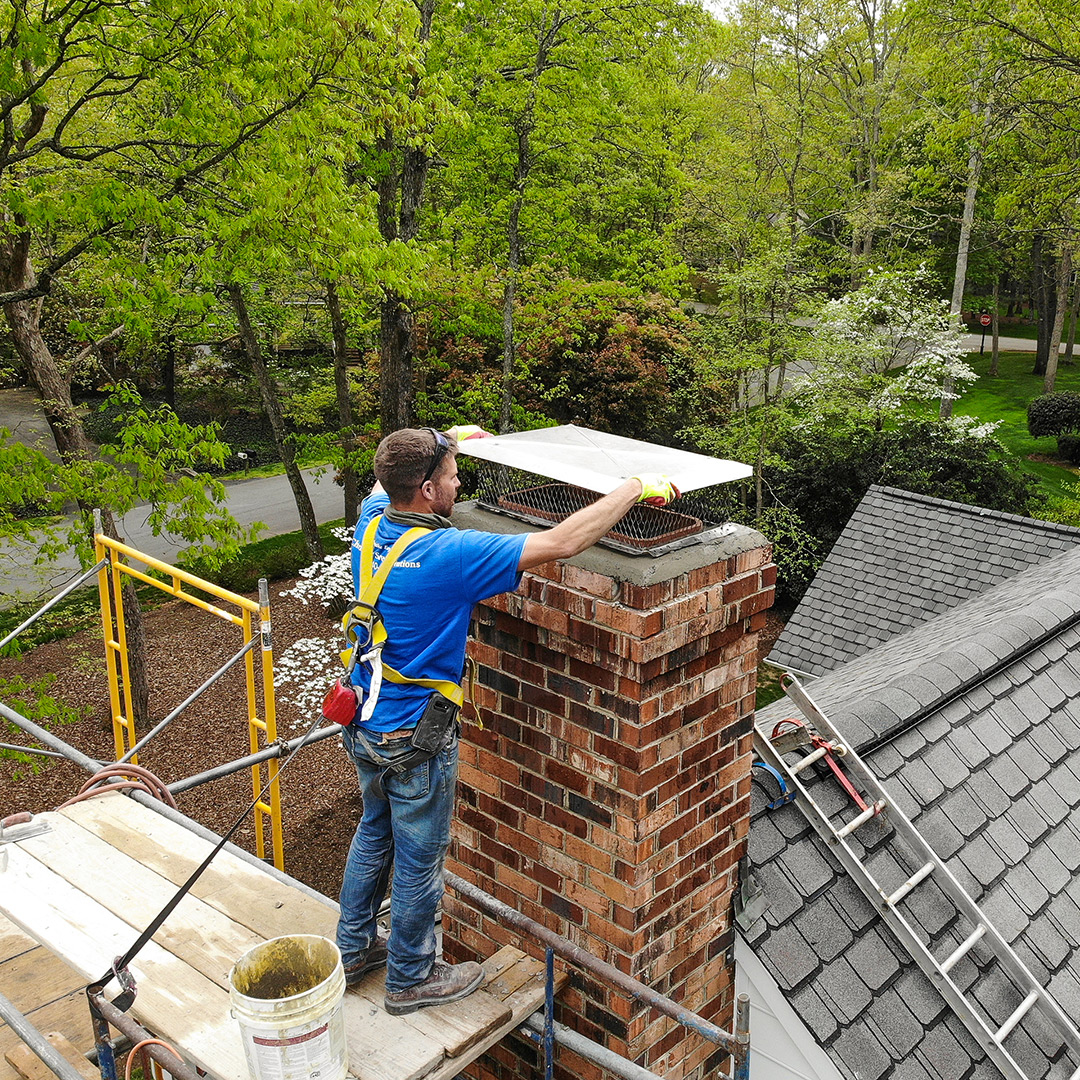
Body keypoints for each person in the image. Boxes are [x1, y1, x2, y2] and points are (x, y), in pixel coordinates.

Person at [335, 425, 678, 1015]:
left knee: (374, 832)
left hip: (363, 720)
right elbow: (564, 542)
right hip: (415, 737)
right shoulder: (449, 555)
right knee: (420, 858)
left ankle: (354, 950)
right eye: (449, 476)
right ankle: (410, 977)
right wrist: (633, 487)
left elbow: (387, 473)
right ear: (425, 490)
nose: (459, 481)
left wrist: (449, 438)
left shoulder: (373, 520)